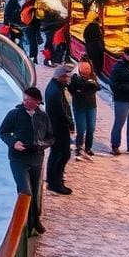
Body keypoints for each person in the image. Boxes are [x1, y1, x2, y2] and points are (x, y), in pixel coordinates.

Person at [0, 86, 53, 235]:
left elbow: (51, 137)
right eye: (24, 99)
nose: (25, 102)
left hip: (36, 158)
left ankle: (34, 221)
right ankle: (27, 223)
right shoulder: (14, 114)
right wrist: (13, 143)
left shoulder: (43, 117)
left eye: (29, 100)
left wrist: (43, 145)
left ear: (37, 102)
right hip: (18, 158)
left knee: (35, 191)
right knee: (25, 190)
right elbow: (2, 132)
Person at [44, 65, 74, 194]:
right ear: (60, 76)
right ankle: (55, 182)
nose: (68, 79)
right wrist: (69, 122)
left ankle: (55, 179)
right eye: (66, 76)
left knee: (58, 153)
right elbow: (60, 111)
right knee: (62, 153)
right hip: (58, 127)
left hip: (57, 126)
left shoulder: (57, 87)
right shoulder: (55, 91)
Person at [68, 58, 100, 160]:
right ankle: (79, 147)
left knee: (91, 128)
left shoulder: (93, 77)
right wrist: (84, 87)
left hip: (91, 106)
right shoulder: (75, 77)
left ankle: (88, 148)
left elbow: (96, 88)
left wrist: (83, 88)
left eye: (88, 67)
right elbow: (73, 90)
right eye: (84, 67)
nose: (86, 69)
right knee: (81, 129)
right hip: (79, 107)